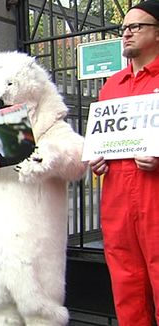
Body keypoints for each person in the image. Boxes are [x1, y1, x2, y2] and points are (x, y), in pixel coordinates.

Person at [88, 1, 159, 325]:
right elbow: (102, 139)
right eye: (124, 28)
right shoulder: (111, 86)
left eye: (136, 27)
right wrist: (97, 159)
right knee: (126, 283)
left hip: (154, 193)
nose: (126, 33)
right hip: (117, 193)